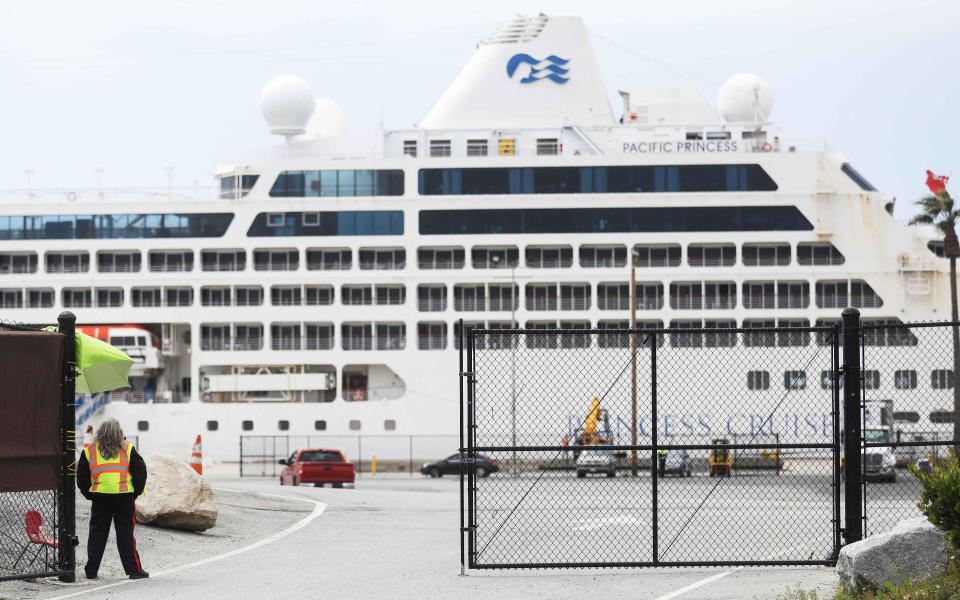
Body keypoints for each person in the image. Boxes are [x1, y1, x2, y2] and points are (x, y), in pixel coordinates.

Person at [76, 419, 149, 580]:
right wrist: (134, 492)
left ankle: (91, 570)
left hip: (100, 498)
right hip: (124, 498)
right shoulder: (127, 448)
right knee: (125, 534)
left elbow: (81, 477)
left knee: (97, 534)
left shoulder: (89, 451)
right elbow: (140, 471)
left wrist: (90, 494)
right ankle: (134, 571)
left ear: (100, 432)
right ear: (119, 433)